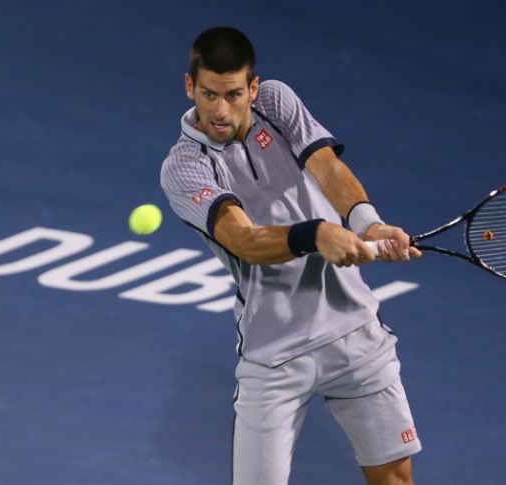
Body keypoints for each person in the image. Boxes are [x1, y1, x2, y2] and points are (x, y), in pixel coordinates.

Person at [160, 26, 424, 485]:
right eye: (208, 94)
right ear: (190, 87)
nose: (220, 110)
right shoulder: (183, 167)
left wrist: (368, 224)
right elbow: (242, 239)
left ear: (253, 88)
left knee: (396, 479)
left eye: (233, 95)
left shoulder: (277, 103)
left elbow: (327, 167)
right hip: (274, 354)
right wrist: (317, 234)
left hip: (354, 333)